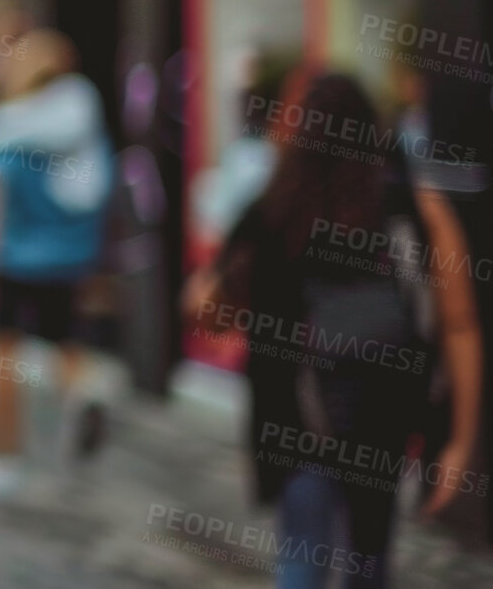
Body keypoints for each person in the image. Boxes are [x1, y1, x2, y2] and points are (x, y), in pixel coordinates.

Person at [185, 72, 481, 588]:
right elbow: (459, 323)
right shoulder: (414, 205)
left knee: (301, 560)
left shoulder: (274, 210)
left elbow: (213, 312)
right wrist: (458, 440)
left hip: (298, 424)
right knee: (370, 562)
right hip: (385, 424)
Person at [0, 27, 115, 499]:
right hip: (70, 256)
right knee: (65, 340)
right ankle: (83, 393)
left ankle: (4, 460)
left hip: (16, 257)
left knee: (3, 355)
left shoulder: (6, 129)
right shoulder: (83, 123)